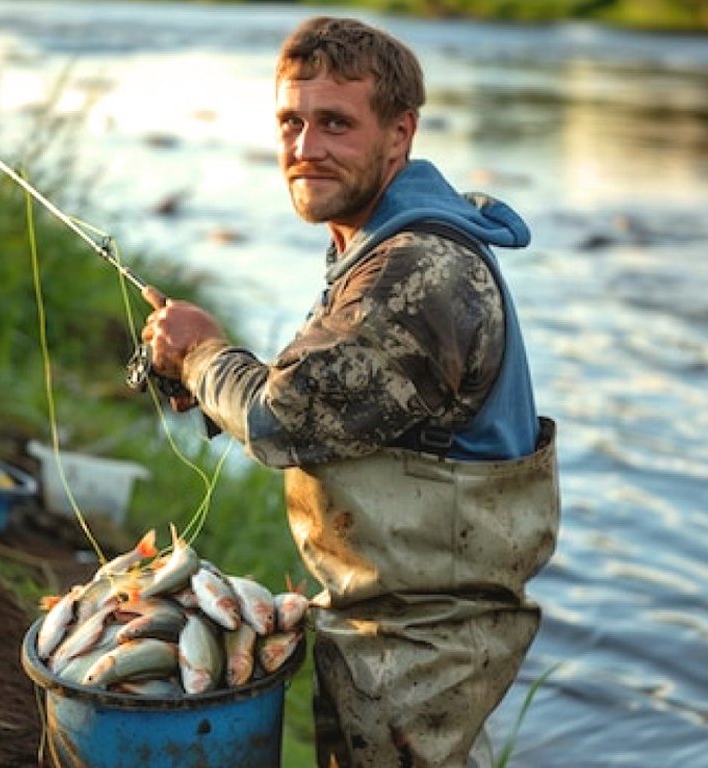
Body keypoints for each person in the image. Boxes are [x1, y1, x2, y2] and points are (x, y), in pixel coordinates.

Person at [139, 16, 560, 768]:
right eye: (290, 122)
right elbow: (329, 399)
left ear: (400, 135)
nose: (305, 149)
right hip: (395, 624)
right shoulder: (374, 246)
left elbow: (280, 421)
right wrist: (204, 380)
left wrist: (201, 354)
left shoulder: (417, 270)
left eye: (335, 123)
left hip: (424, 643)